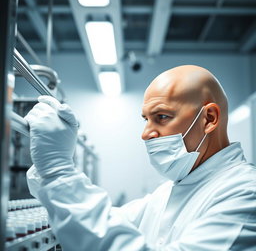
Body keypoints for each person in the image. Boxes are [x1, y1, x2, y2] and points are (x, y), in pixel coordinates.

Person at [25, 65, 256, 250]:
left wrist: (58, 170)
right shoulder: (171, 190)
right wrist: (46, 170)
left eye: (162, 116)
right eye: (146, 119)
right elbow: (112, 222)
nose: (146, 134)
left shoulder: (246, 193)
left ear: (209, 119)